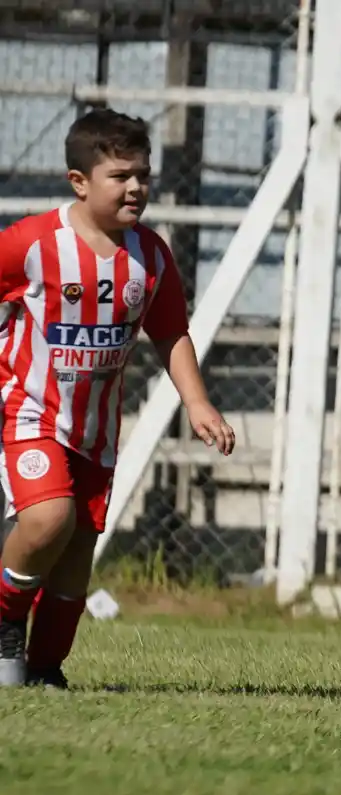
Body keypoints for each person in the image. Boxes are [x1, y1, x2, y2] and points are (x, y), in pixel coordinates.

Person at [0, 109, 236, 688]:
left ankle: (45, 670)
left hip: (96, 430)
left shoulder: (150, 256)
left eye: (144, 176)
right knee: (48, 519)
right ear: (79, 182)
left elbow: (171, 331)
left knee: (75, 559)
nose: (136, 188)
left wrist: (198, 403)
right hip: (29, 413)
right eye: (121, 176)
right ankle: (4, 621)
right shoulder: (32, 243)